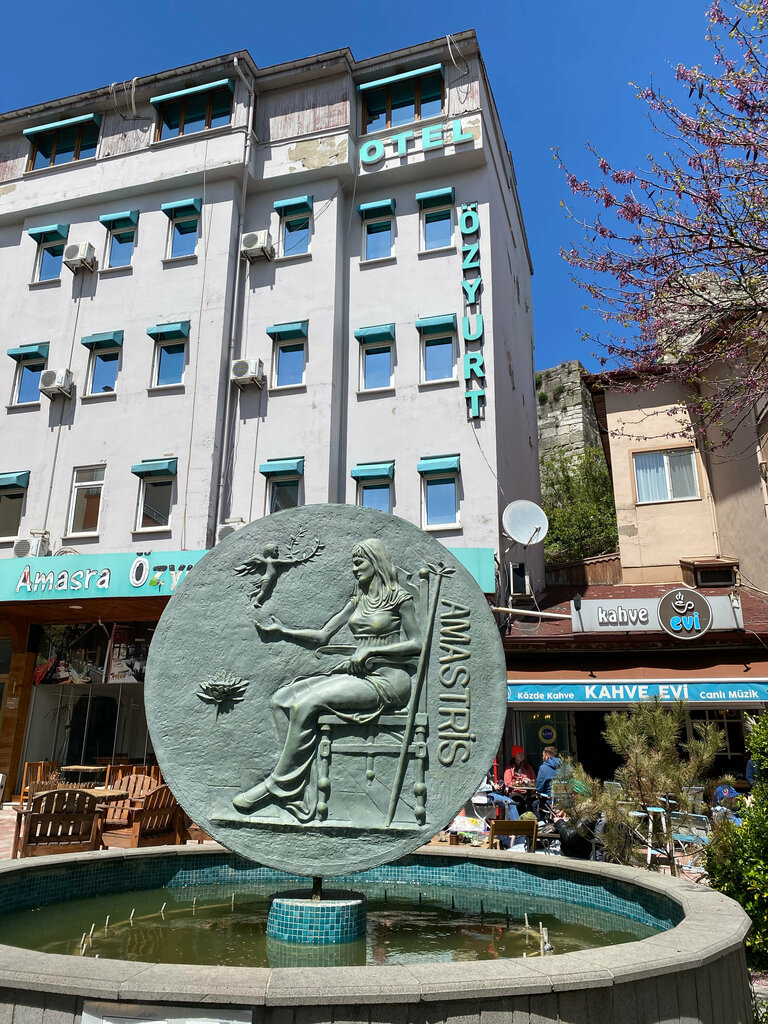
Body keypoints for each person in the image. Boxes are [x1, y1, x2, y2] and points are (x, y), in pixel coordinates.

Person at [232, 538, 422, 821]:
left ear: (376, 562)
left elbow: (418, 643)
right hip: (359, 675)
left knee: (305, 704)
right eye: (353, 563)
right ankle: (297, 789)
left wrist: (372, 649)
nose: (355, 569)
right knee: (281, 699)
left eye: (360, 562)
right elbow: (322, 635)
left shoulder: (400, 599)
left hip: (389, 681)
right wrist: (283, 631)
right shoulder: (357, 601)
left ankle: (277, 786)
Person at [503, 745, 536, 813]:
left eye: (522, 754)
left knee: (534, 802)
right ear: (514, 755)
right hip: (516, 792)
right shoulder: (509, 769)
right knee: (518, 800)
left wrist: (528, 781)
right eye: (519, 754)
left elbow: (534, 781)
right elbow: (508, 783)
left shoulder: (528, 767)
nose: (521, 756)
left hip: (528, 792)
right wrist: (520, 782)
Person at [534, 746, 562, 819]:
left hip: (552, 802)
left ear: (547, 756)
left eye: (543, 755)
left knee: (534, 804)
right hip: (567, 803)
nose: (542, 757)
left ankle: (542, 823)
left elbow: (539, 789)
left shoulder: (543, 768)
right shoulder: (567, 766)